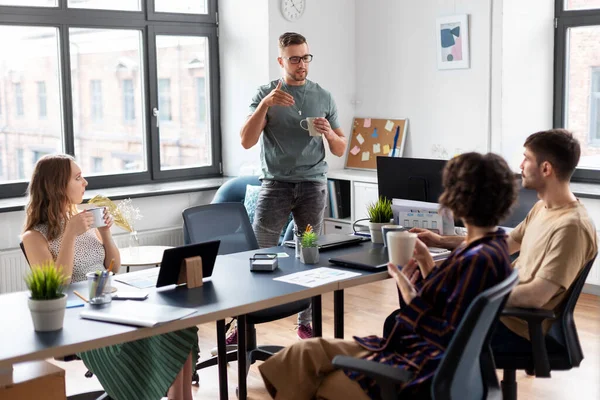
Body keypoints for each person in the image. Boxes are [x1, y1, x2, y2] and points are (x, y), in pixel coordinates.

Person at [258, 152, 518, 399]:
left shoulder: (476, 261)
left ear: (456, 199)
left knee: (312, 379)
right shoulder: (490, 251)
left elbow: (443, 335)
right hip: (421, 358)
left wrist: (408, 293)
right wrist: (427, 265)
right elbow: (448, 311)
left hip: (417, 370)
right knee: (305, 353)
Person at [21, 154, 198, 400]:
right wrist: (70, 234)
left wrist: (105, 233)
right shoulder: (34, 237)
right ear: (57, 186)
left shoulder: (84, 220)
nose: (85, 183)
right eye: (78, 177)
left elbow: (112, 268)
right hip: (79, 319)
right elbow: (58, 284)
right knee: (144, 337)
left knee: (177, 324)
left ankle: (181, 396)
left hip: (111, 303)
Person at [410, 129, 597, 350]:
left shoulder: (572, 227)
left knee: (407, 324)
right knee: (411, 313)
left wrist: (471, 297)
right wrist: (439, 241)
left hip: (515, 328)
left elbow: (535, 296)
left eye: (526, 158)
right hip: (496, 314)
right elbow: (496, 244)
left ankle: (444, 383)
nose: (520, 166)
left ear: (546, 168)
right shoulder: (543, 208)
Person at [238, 31, 347, 341]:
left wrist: (329, 134)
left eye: (306, 57)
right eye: (295, 59)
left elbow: (340, 149)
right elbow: (246, 141)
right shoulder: (264, 94)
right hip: (275, 184)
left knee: (309, 254)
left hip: (313, 183)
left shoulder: (323, 96)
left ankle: (306, 322)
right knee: (260, 253)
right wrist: (265, 105)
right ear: (281, 61)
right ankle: (243, 324)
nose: (302, 65)